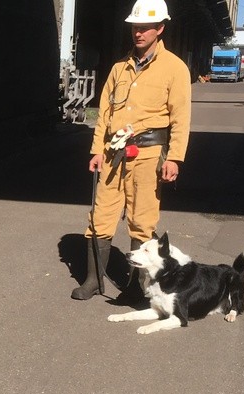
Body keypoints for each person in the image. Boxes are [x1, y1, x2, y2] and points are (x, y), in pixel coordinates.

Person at [70, 0, 191, 301]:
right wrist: (97, 149)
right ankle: (94, 280)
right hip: (113, 155)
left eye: (145, 27)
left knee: (142, 221)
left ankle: (138, 287)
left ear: (160, 28)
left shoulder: (175, 68)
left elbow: (181, 117)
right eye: (135, 27)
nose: (138, 33)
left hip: (149, 155)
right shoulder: (118, 69)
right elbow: (105, 114)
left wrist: (174, 157)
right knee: (99, 217)